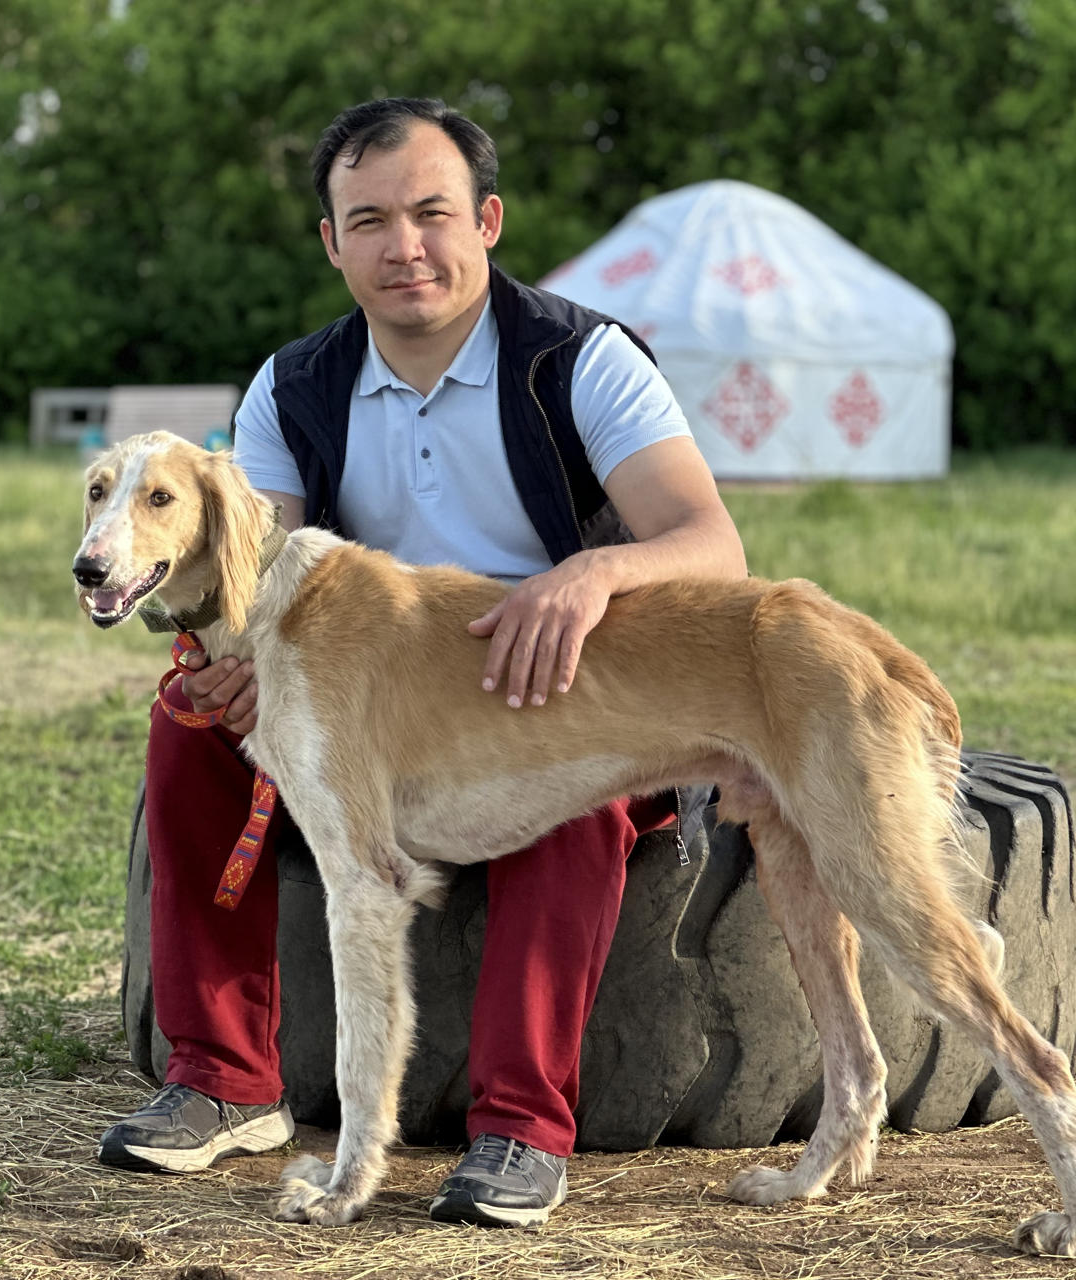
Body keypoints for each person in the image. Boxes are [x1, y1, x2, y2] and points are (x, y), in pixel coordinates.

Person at [96, 97, 747, 1228]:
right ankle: (223, 1075)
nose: (406, 246)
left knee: (567, 777)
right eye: (371, 219)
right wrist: (230, 661)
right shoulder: (294, 387)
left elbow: (712, 546)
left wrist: (591, 575)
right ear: (332, 242)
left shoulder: (584, 360)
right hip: (374, 707)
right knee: (188, 717)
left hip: (565, 685)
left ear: (487, 220)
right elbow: (249, 571)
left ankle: (519, 1126)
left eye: (433, 213)